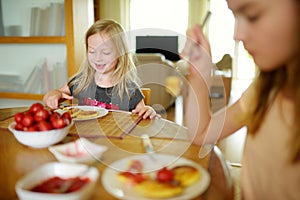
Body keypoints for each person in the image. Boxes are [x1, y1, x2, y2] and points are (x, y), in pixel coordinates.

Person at [182, 0, 300, 199]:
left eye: (253, 15)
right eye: (235, 16)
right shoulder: (264, 90)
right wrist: (201, 74)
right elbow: (202, 133)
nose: (237, 35)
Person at [43, 19, 157, 119]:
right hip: (85, 138)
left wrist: (148, 111)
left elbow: (143, 113)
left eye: (105, 52)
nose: (98, 58)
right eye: (92, 51)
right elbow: (56, 94)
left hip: (116, 140)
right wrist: (53, 94)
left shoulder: (129, 89)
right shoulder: (80, 82)